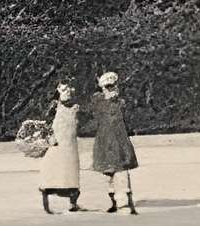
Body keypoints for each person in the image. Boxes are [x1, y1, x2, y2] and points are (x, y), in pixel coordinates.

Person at [88, 70, 140, 214]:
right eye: (109, 86)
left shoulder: (121, 104)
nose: (112, 89)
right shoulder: (99, 103)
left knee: (122, 173)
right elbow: (92, 119)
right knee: (109, 173)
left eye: (113, 86)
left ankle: (125, 203)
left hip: (120, 143)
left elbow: (128, 120)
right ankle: (115, 202)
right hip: (105, 143)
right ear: (103, 88)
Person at [36, 80, 85, 214]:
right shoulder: (54, 106)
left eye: (69, 90)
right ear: (58, 91)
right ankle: (47, 196)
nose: (67, 92)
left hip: (70, 146)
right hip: (56, 145)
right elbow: (44, 122)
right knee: (53, 171)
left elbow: (81, 123)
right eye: (64, 90)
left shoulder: (76, 107)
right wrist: (49, 138)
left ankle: (73, 202)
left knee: (71, 173)